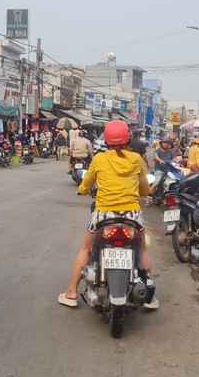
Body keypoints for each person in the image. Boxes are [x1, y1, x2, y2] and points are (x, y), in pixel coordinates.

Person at [58, 120, 157, 309]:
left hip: (103, 214)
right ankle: (150, 295)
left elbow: (86, 184)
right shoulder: (136, 159)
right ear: (127, 138)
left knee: (86, 249)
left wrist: (82, 189)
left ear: (107, 140)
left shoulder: (100, 159)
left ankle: (71, 292)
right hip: (132, 215)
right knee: (142, 250)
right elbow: (144, 189)